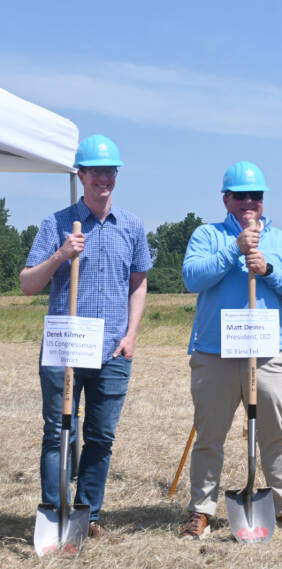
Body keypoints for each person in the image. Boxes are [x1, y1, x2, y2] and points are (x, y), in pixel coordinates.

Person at [21, 134, 152, 537]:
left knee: (100, 436)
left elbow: (139, 283)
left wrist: (131, 335)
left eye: (110, 171)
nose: (104, 179)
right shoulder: (57, 223)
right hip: (64, 349)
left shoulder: (131, 226)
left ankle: (88, 515)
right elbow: (27, 284)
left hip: (112, 350)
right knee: (59, 432)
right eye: (96, 171)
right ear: (81, 175)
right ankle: (55, 509)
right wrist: (61, 254)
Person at [178, 161, 282, 539]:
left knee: (276, 434)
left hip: (267, 354)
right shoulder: (207, 235)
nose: (249, 202)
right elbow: (192, 278)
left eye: (256, 196)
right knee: (209, 437)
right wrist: (234, 252)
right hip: (215, 355)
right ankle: (200, 510)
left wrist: (269, 269)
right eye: (241, 196)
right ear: (226, 199)